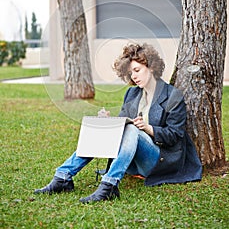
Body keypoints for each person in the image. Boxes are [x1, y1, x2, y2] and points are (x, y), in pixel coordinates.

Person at [34, 43, 202, 203]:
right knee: (104, 128)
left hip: (159, 161)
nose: (134, 76)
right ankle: (63, 177)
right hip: (134, 162)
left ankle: (109, 184)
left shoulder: (173, 96)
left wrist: (148, 128)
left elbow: (175, 136)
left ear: (151, 67)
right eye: (131, 73)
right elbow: (122, 126)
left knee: (133, 130)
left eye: (137, 70)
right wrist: (108, 122)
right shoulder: (132, 94)